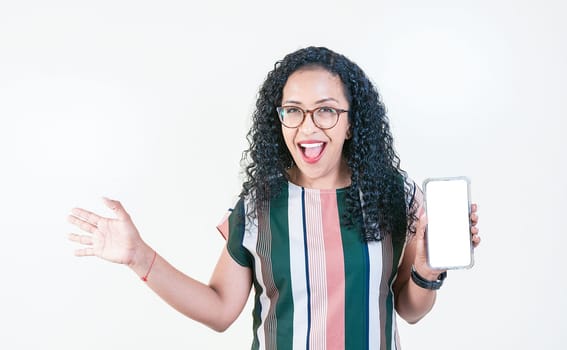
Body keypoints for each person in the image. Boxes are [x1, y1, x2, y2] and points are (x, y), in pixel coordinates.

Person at [68, 46, 480, 350]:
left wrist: (428, 270)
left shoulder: (391, 194)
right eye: (294, 110)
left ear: (352, 123)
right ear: (279, 118)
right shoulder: (259, 204)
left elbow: (409, 309)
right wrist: (139, 255)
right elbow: (219, 309)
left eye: (326, 110)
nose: (308, 126)